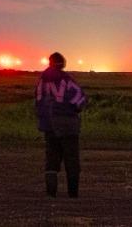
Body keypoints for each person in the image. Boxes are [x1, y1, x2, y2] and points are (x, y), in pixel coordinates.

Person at [35, 51, 88, 198]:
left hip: (48, 125)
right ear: (62, 63)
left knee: (51, 158)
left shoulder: (41, 81)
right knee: (71, 159)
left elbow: (38, 102)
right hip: (67, 124)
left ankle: (51, 193)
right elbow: (80, 98)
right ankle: (73, 194)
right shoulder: (67, 80)